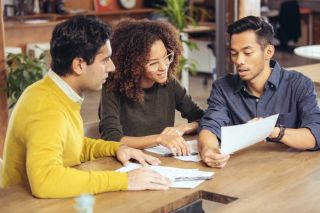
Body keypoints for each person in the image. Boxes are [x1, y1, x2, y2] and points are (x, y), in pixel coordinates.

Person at [1, 16, 171, 198]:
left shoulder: (56, 92)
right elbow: (45, 181)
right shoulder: (46, 107)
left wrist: (117, 148)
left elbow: (71, 146)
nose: (112, 67)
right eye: (105, 60)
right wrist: (125, 181)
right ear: (79, 64)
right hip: (25, 205)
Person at [199, 16, 320, 168]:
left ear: (268, 52)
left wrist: (270, 131)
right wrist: (208, 150)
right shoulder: (223, 87)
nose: (239, 61)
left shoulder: (299, 85)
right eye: (234, 53)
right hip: (240, 174)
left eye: (247, 53)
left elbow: (315, 134)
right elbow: (210, 126)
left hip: (287, 174)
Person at [99, 19, 204, 156]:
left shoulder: (169, 84)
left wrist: (183, 128)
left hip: (161, 159)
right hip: (128, 160)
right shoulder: (113, 88)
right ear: (133, 65)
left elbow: (202, 118)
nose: (163, 67)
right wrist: (159, 139)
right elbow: (111, 138)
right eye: (153, 63)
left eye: (166, 57)